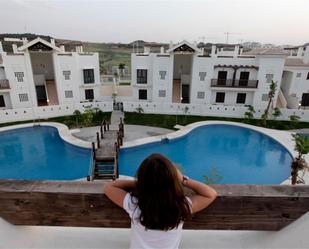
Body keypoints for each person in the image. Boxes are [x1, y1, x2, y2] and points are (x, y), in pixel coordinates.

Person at [104, 153, 217, 249]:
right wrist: (183, 180)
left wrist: (143, 184)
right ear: (172, 180)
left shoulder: (134, 205)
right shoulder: (180, 207)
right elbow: (210, 194)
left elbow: (109, 187)